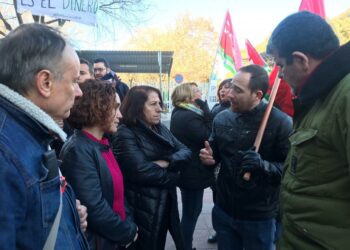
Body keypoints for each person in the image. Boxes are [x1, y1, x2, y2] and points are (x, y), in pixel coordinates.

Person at [0, 23, 89, 249]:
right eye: (75, 81)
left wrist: (67, 216)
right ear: (45, 83)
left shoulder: (28, 132)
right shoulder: (5, 152)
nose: (79, 93)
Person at [267, 11, 350, 249]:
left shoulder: (344, 95)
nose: (280, 74)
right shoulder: (321, 96)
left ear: (301, 60)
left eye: (281, 65)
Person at [199, 65, 292, 250]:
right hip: (224, 209)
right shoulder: (221, 118)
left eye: (238, 90)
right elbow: (214, 153)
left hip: (259, 217)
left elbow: (291, 172)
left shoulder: (280, 122)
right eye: (231, 86)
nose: (229, 94)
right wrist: (208, 158)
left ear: (257, 95)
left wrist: (263, 166)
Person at [60, 80, 138, 250]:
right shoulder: (79, 150)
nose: (120, 115)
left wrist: (129, 223)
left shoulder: (100, 143)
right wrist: (128, 232)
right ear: (98, 107)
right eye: (115, 107)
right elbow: (94, 209)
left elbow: (118, 195)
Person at [112, 85, 192, 250]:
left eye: (160, 104)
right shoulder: (125, 133)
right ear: (137, 106)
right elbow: (141, 171)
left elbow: (186, 151)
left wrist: (167, 162)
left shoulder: (160, 128)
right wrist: (175, 176)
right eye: (153, 104)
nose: (159, 109)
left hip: (164, 204)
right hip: (142, 208)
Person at [170, 82, 214, 250]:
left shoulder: (182, 112)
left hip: (188, 169)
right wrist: (207, 110)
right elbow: (208, 136)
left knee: (192, 210)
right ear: (187, 96)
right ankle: (185, 246)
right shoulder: (189, 116)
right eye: (196, 91)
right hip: (192, 172)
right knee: (192, 213)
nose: (200, 93)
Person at [207, 78, 233, 244]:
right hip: (219, 164)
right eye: (222, 88)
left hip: (233, 165)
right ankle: (220, 230)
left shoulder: (239, 112)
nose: (223, 91)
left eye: (228, 88)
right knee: (219, 199)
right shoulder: (217, 110)